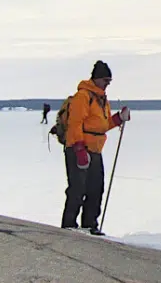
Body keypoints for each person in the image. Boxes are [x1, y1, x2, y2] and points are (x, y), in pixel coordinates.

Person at [61, 60, 130, 235]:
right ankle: (69, 225)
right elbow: (75, 123)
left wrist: (118, 119)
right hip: (79, 149)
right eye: (106, 80)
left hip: (95, 150)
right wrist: (79, 149)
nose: (107, 84)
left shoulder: (102, 99)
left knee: (95, 188)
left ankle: (89, 224)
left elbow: (101, 126)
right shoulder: (83, 96)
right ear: (97, 78)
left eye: (109, 81)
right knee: (77, 189)